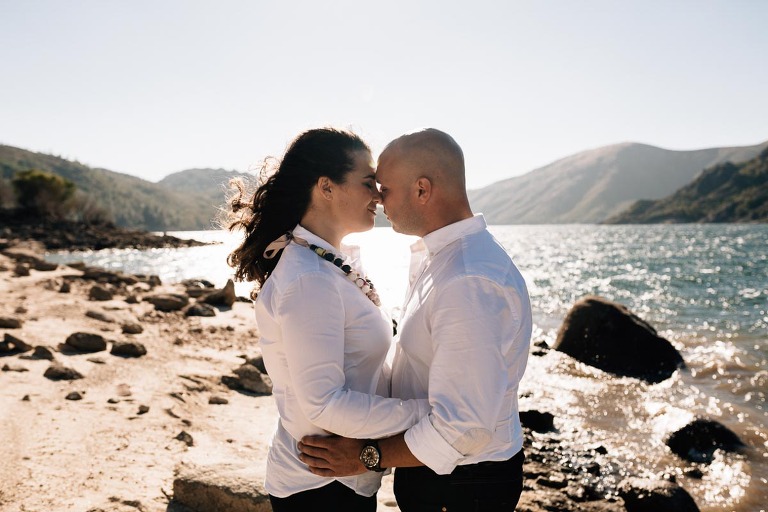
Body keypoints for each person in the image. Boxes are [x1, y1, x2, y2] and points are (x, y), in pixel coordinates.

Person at [298, 128, 532, 511]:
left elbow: (465, 426)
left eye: (384, 189)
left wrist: (365, 456)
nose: (377, 199)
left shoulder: (467, 279)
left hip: (463, 483)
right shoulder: (446, 258)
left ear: (422, 190)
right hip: (444, 473)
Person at [226, 127, 430, 511]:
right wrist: (428, 413)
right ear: (326, 187)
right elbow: (324, 404)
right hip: (320, 487)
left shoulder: (327, 264)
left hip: (340, 480)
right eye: (368, 182)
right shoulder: (310, 279)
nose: (379, 195)